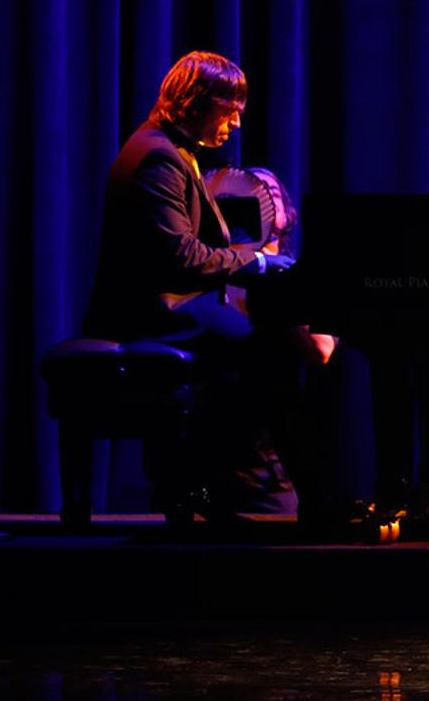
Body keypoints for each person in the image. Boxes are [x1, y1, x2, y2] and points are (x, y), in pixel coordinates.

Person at [83, 50, 301, 517]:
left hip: (168, 302)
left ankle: (230, 484)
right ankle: (251, 489)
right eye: (230, 112)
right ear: (198, 103)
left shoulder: (169, 150)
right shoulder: (157, 158)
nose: (236, 125)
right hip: (149, 312)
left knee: (256, 347)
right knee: (267, 348)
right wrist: (257, 263)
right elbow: (179, 256)